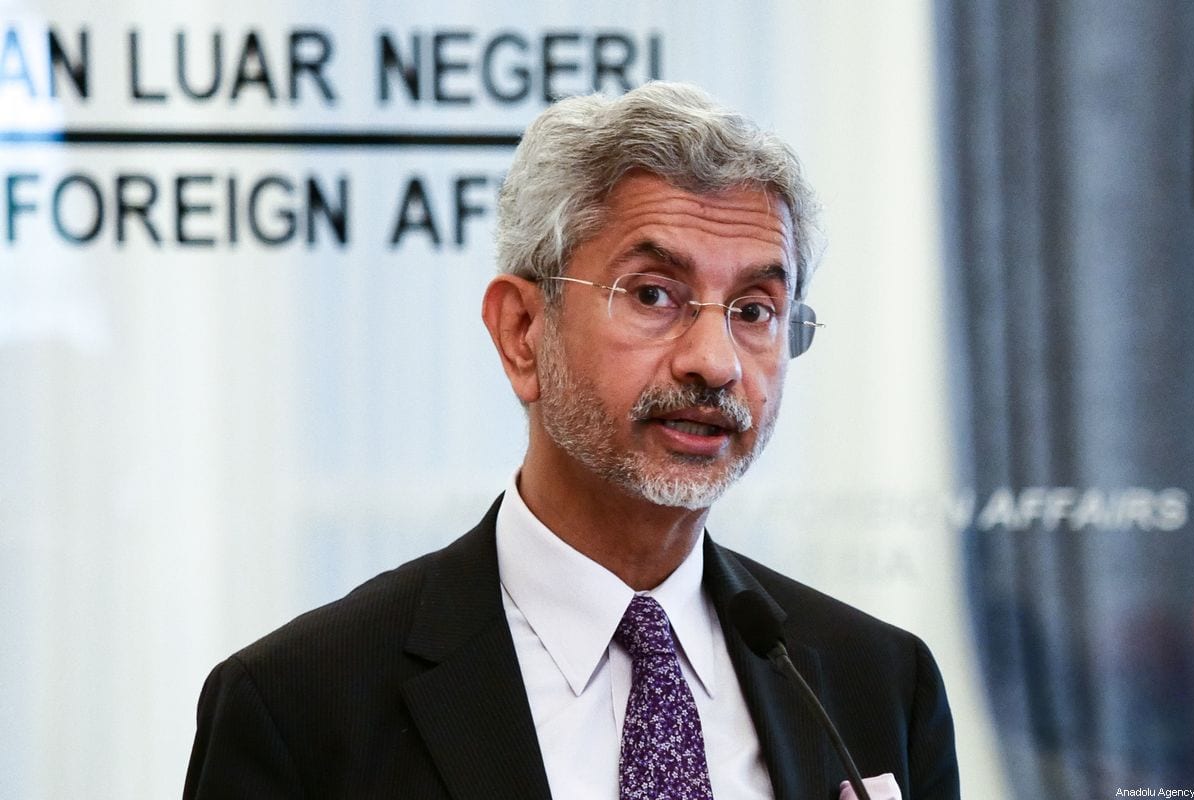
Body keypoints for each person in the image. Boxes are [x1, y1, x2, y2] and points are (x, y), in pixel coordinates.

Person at [184, 81, 960, 799]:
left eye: (754, 309)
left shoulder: (877, 686)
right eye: (655, 294)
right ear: (523, 333)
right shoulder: (299, 707)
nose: (715, 363)